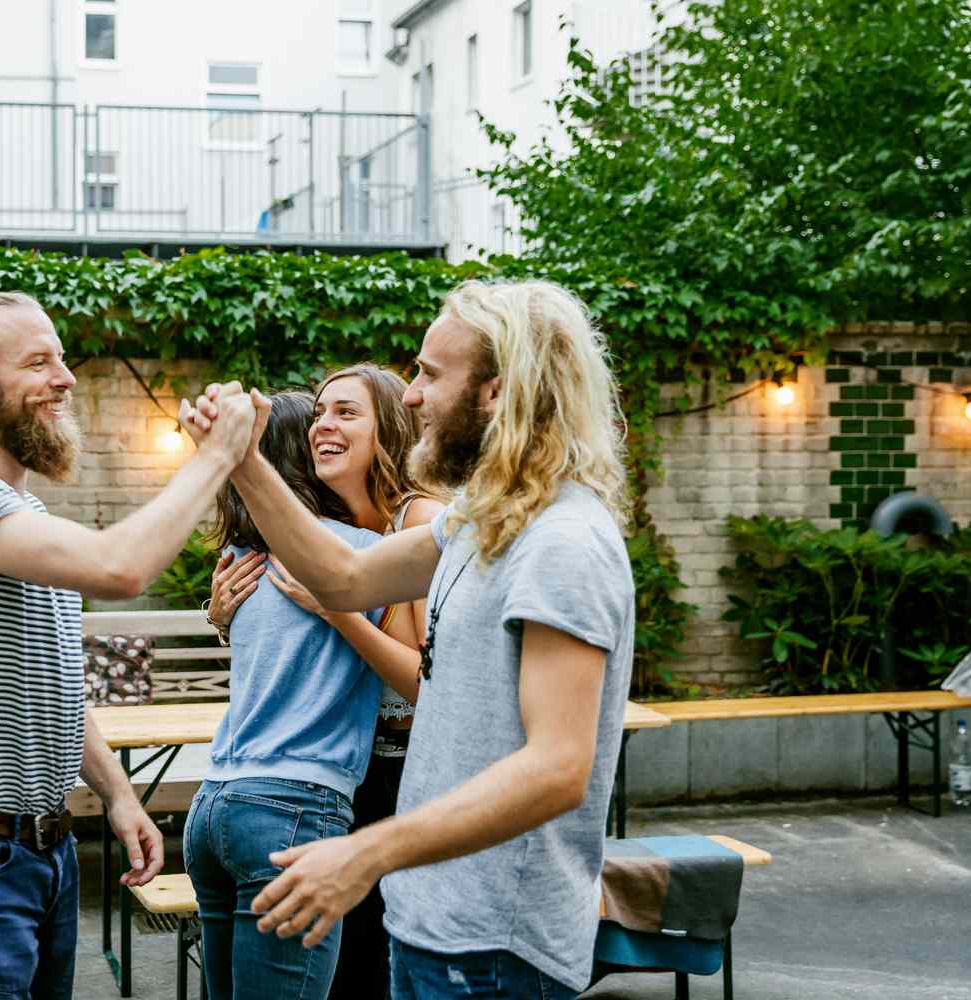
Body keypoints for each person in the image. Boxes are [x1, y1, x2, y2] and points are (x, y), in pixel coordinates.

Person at [181, 280, 635, 1000]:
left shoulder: (563, 541)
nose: (413, 396)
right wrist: (243, 459)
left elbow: (558, 766)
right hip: (432, 919)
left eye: (428, 374)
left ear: (495, 391)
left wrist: (365, 850)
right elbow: (341, 575)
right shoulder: (481, 523)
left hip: (493, 944)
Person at [0, 291, 255, 1000]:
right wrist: (221, 455)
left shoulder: (25, 513)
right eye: (39, 362)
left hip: (39, 855)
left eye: (63, 358)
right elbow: (120, 568)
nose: (66, 378)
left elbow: (48, 686)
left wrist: (117, 794)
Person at [206, 364, 444, 1000]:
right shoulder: (341, 535)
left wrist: (337, 610)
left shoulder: (421, 521)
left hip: (413, 779)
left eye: (346, 413)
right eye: (318, 413)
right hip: (347, 777)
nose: (323, 426)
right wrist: (227, 620)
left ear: (388, 430)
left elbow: (430, 685)